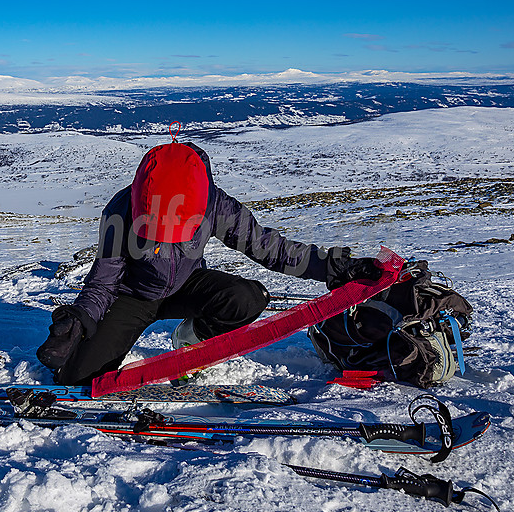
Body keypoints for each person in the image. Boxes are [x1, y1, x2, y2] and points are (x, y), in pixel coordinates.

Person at [36, 141, 381, 385]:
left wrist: (332, 267)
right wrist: (80, 321)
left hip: (186, 285)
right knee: (77, 380)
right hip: (131, 298)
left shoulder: (213, 202)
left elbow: (268, 247)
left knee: (248, 297)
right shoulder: (120, 210)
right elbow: (103, 281)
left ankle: (189, 336)